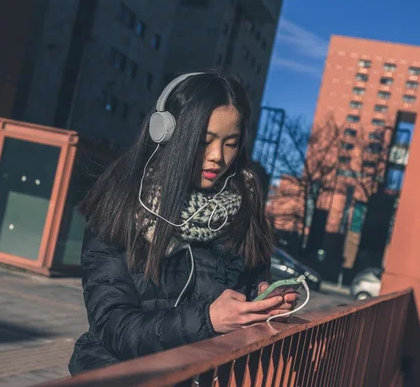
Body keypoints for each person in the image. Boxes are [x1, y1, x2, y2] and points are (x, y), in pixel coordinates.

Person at [68, 71, 298, 375]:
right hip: (123, 376)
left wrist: (262, 302)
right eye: (204, 142)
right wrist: (209, 320)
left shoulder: (245, 207)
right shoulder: (122, 205)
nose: (218, 157)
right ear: (168, 132)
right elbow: (115, 328)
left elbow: (252, 279)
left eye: (231, 143)